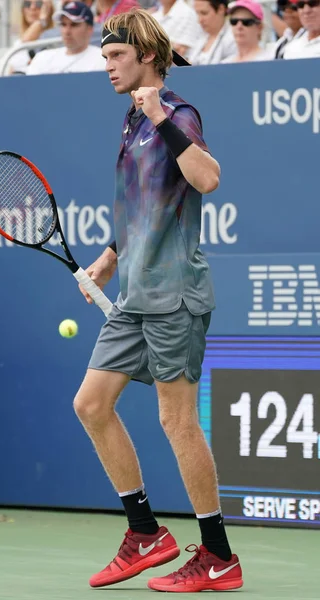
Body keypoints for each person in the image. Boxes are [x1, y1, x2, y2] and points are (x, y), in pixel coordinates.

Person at [74, 7, 243, 594]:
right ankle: (146, 534)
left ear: (147, 56)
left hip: (175, 296)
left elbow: (208, 179)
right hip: (134, 295)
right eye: (103, 57)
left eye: (116, 56)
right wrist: (110, 256)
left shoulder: (177, 113)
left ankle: (218, 556)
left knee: (177, 421)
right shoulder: (130, 121)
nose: (108, 67)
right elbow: (145, 206)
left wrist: (162, 119)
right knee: (92, 405)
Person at [27, 2, 105, 73]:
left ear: (89, 29)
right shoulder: (41, 58)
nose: (67, 31)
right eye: (63, 24)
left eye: (74, 24)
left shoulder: (103, 59)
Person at [8, 0, 55, 75]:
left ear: (48, 9)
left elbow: (25, 42)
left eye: (39, 4)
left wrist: (43, 20)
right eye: (27, 4)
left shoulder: (55, 38)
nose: (32, 7)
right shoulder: (18, 43)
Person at [190, 0, 236, 65]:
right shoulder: (200, 36)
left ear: (221, 9)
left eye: (204, 13)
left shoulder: (234, 38)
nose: (199, 20)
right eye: (197, 13)